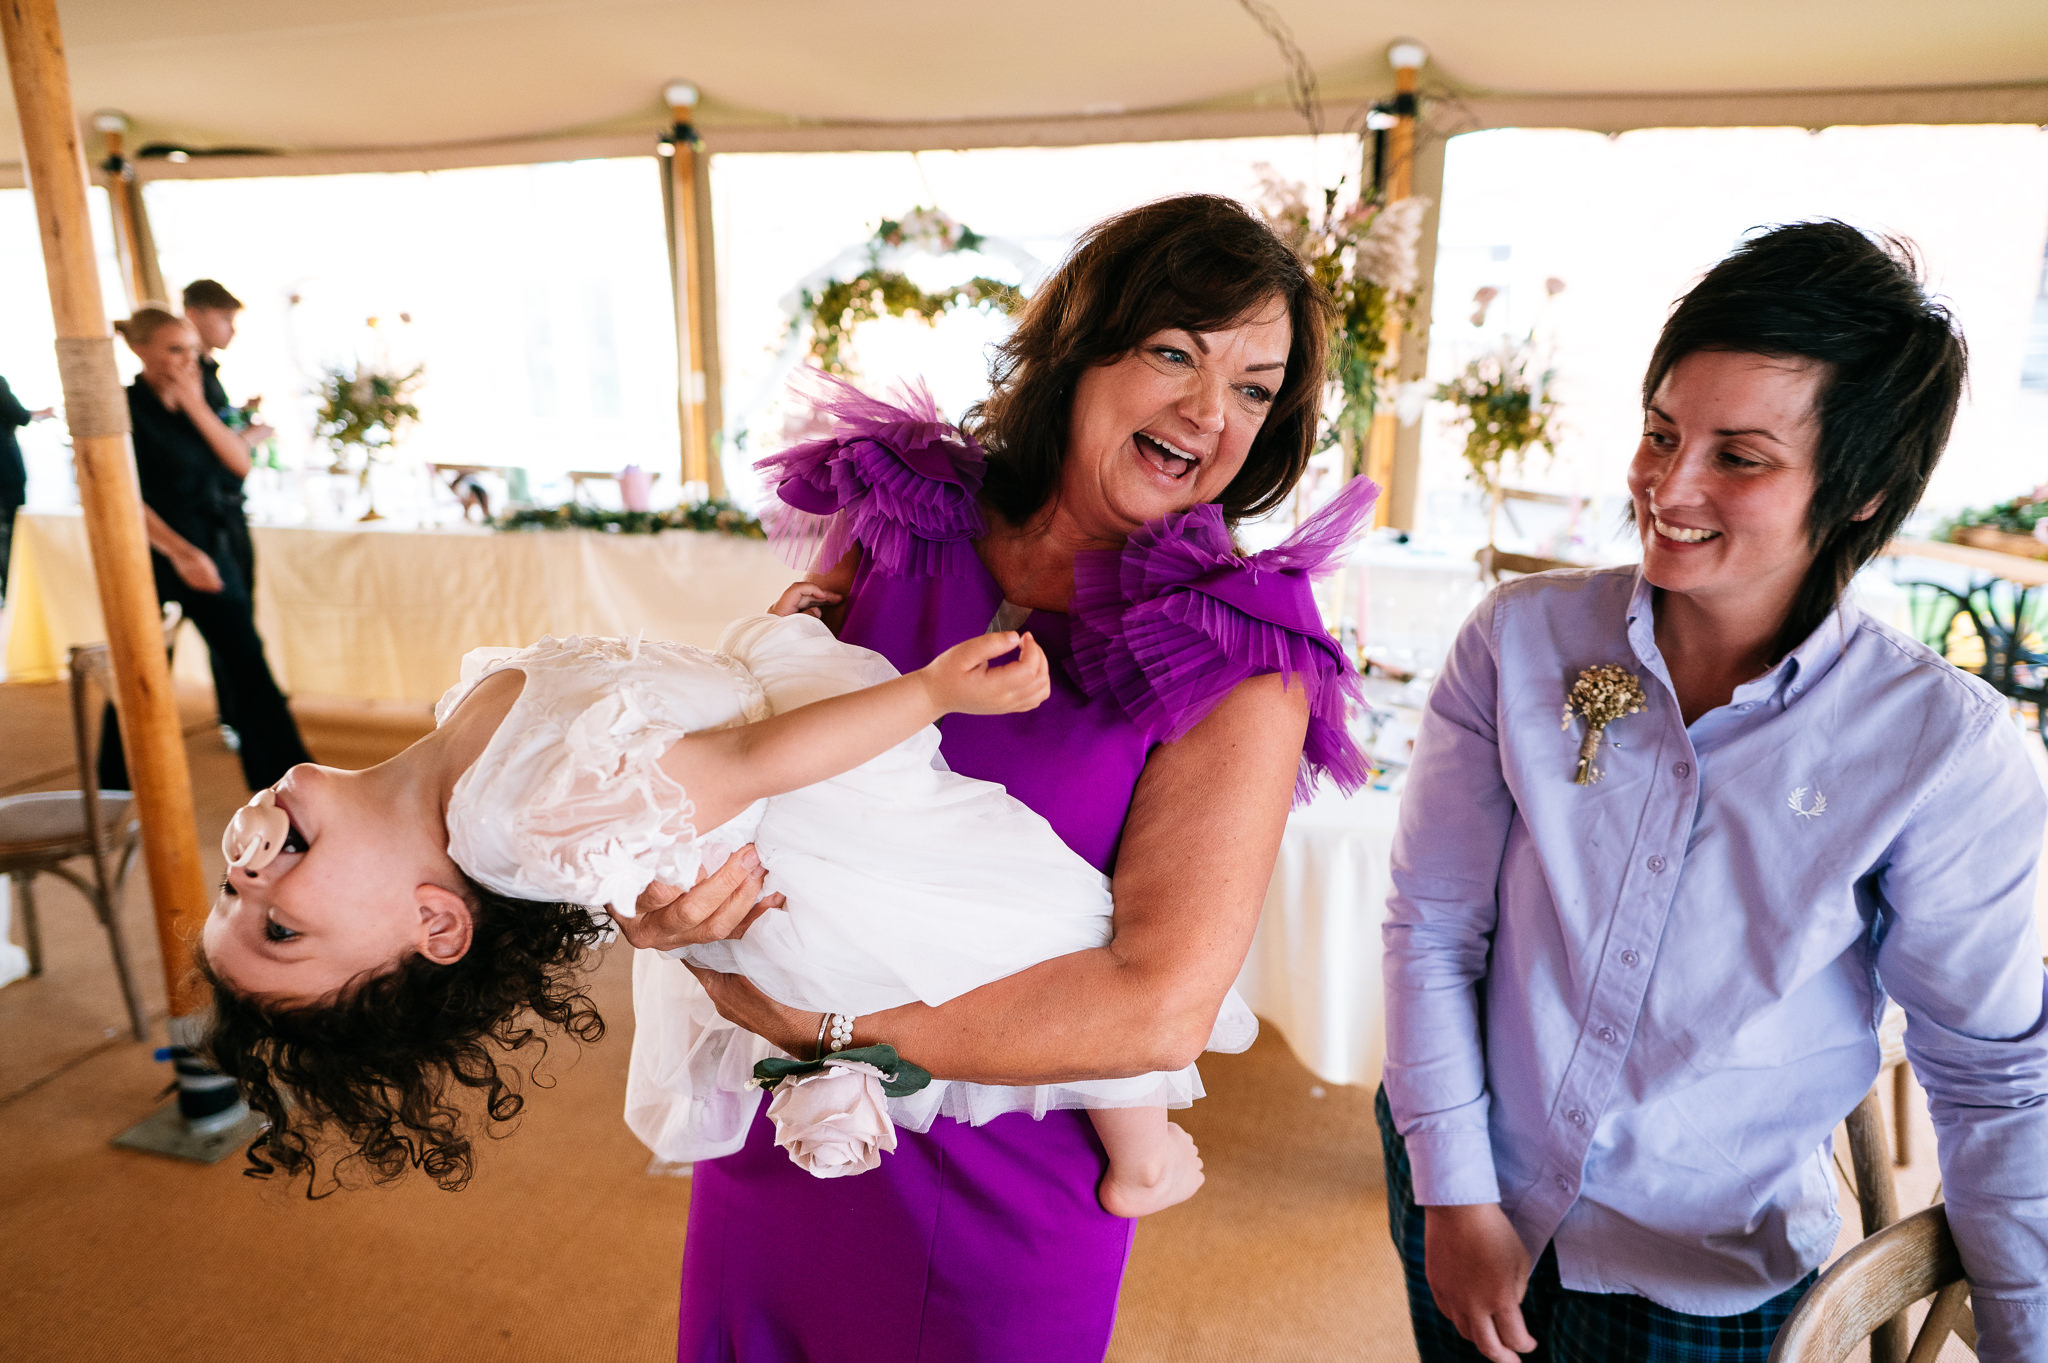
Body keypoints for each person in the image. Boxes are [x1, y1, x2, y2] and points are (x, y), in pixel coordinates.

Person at [616, 193, 1367, 1362]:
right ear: (1077, 348)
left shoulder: (1235, 654)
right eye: (1173, 351)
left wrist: (832, 1024)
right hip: (789, 1124)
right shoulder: (899, 516)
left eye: (1255, 387)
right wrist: (669, 898)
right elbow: (758, 742)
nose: (1209, 411)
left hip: (1003, 1179)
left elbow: (1157, 1002)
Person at [1380, 220, 2048, 1363]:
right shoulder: (1518, 641)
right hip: (1465, 1190)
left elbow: (1989, 1078)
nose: (1666, 483)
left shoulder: (1939, 750)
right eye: (1657, 432)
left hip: (1705, 1271)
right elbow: (1432, 927)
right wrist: (1447, 1193)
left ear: (1859, 494)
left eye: (1737, 456)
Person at [197, 583, 1351, 1211]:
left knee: (1023, 924)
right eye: (281, 929)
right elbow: (751, 767)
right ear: (434, 922)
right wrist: (930, 691)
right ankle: (1143, 1158)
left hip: (774, 710)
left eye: (231, 892)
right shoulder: (520, 819)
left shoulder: (468, 734)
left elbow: (656, 712)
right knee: (1032, 923)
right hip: (822, 810)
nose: (252, 878)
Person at [101, 307, 311, 791]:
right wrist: (178, 552)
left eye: (193, 350)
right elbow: (119, 494)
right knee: (138, 668)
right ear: (140, 349)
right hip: (151, 551)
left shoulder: (201, 395)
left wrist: (195, 404)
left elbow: (239, 463)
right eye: (175, 350)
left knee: (247, 664)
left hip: (212, 542)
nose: (188, 361)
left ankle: (286, 783)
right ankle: (114, 783)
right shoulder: (122, 407)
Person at [0, 373, 54, 601]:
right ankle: (14, 593)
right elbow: (19, 416)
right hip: (5, 469)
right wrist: (44, 413)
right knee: (11, 530)